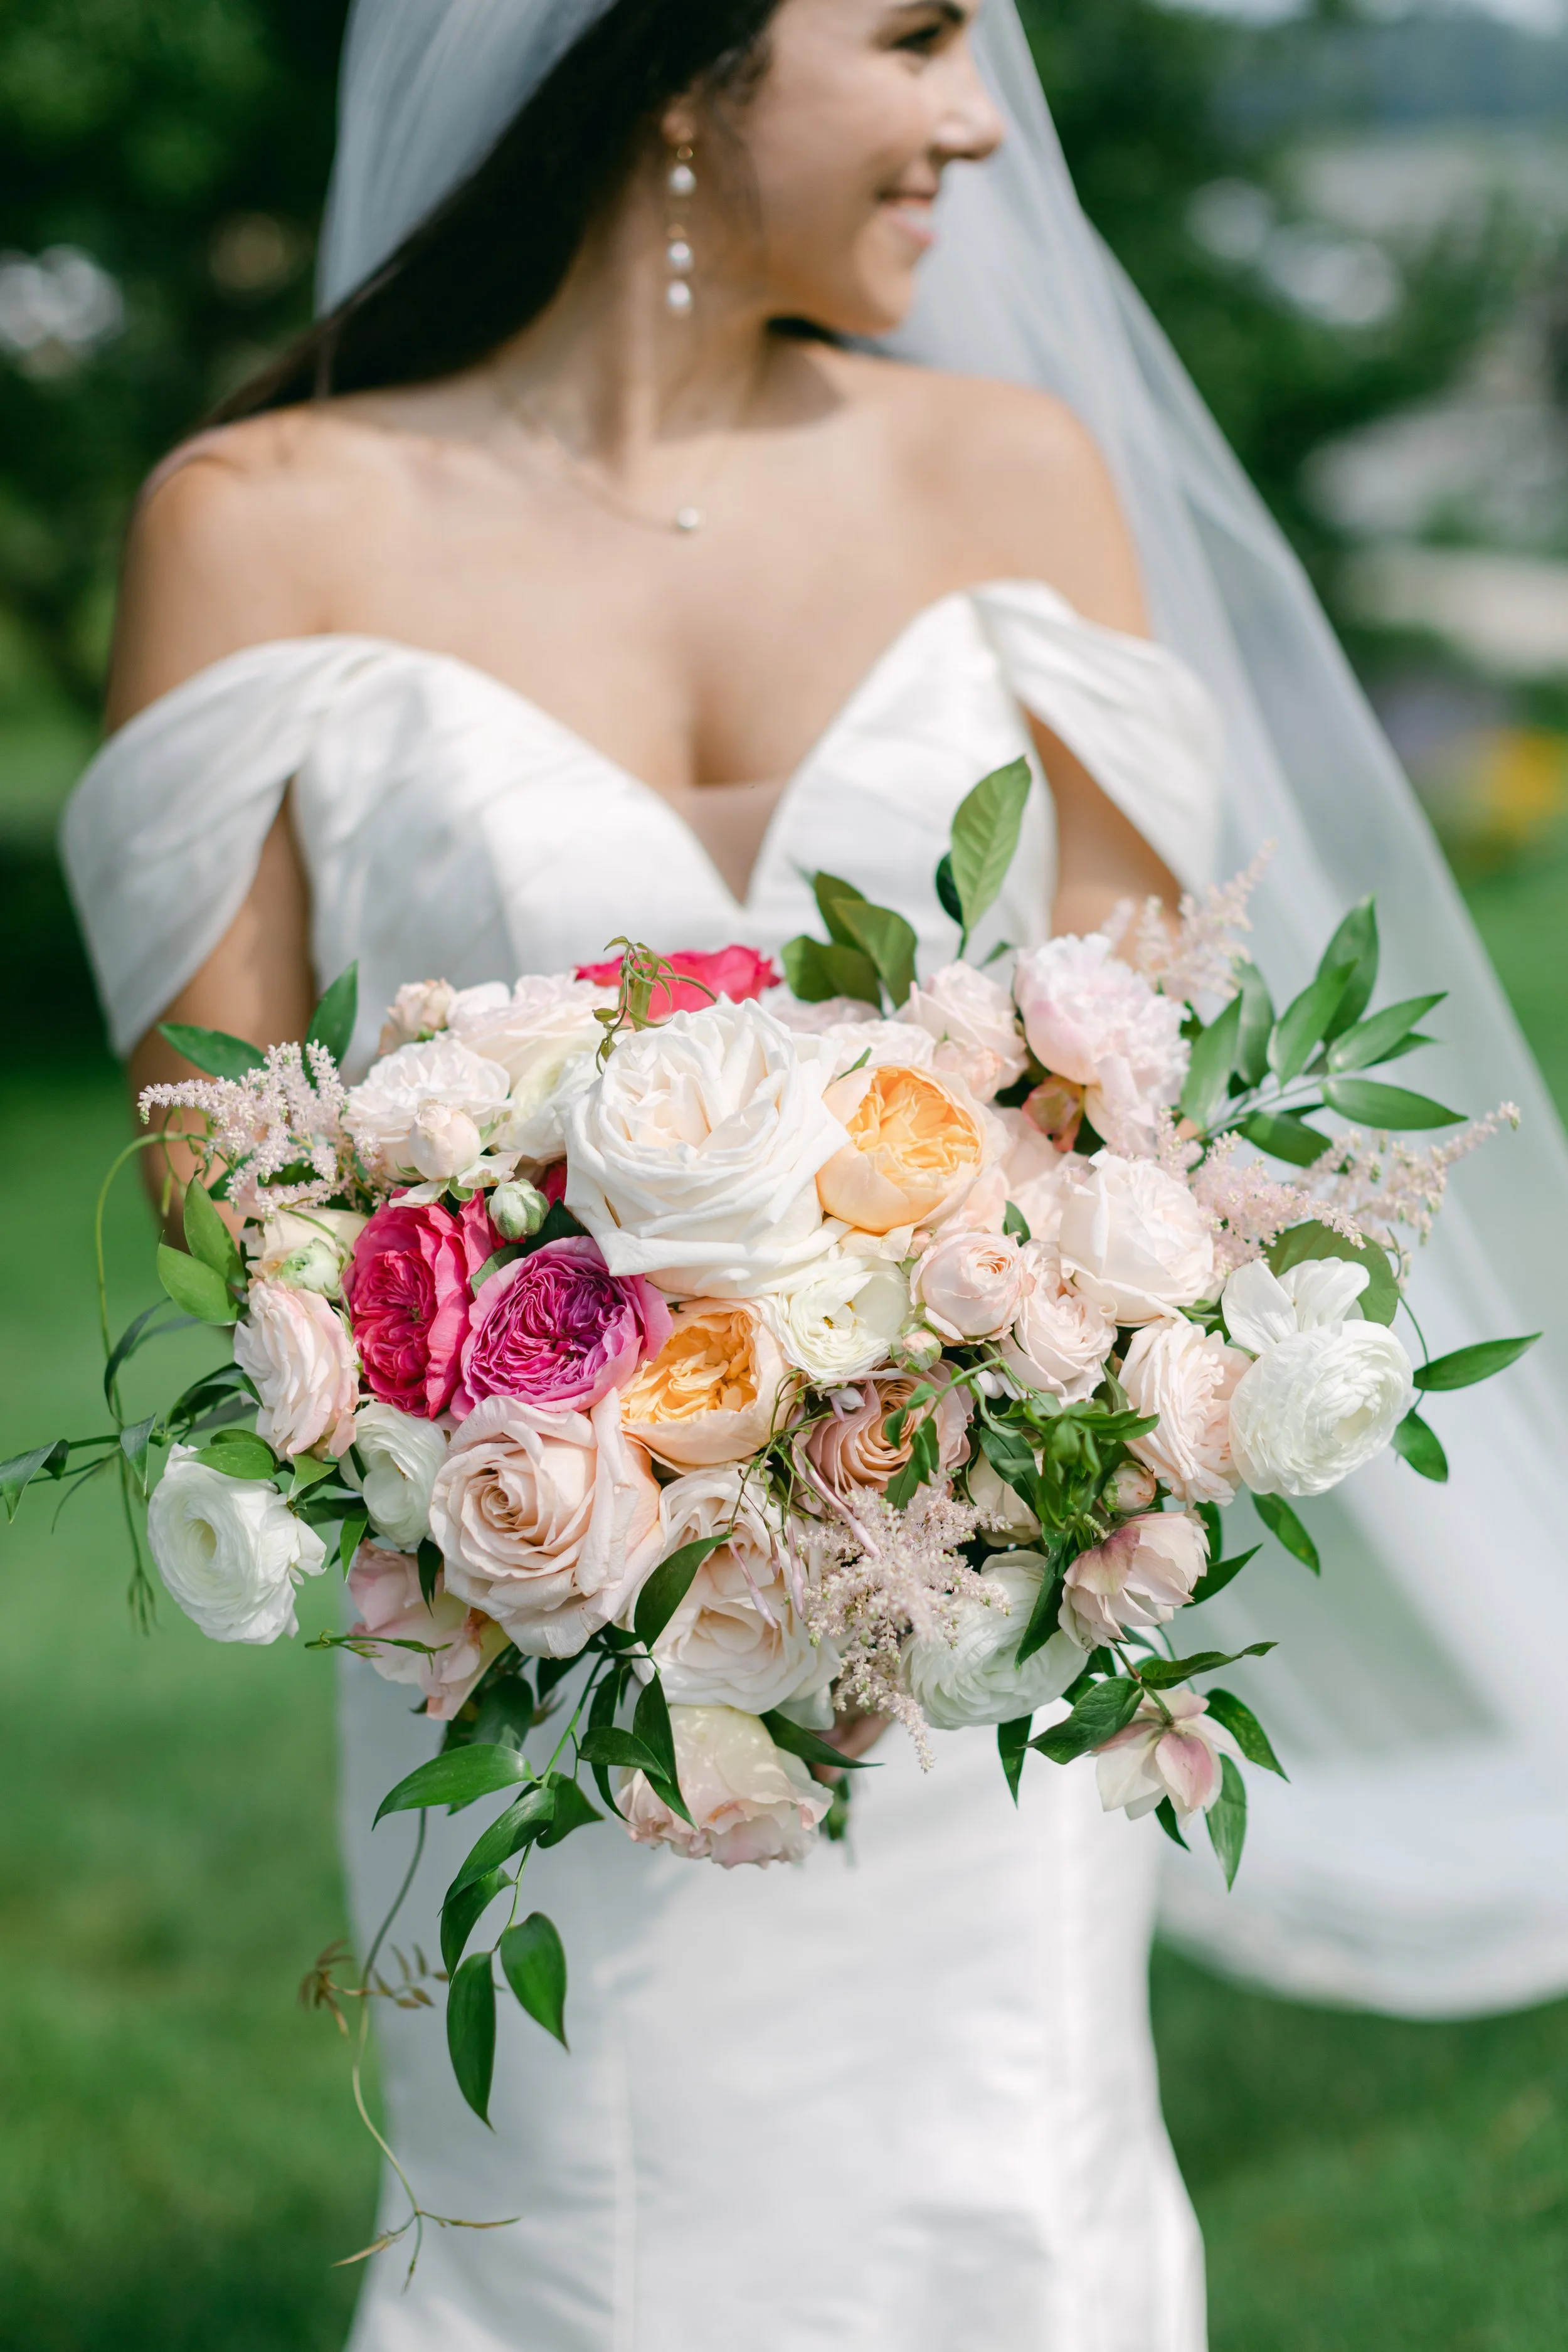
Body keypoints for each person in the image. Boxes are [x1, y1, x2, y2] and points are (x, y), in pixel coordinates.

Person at [59, 0, 1568, 2345]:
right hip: (532, 1635)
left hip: (964, 1619)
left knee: (1002, 2211)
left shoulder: (1016, 480)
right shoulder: (265, 527)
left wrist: (972, 1391)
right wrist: (566, 1422)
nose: (979, 118)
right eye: (915, 35)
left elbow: (1138, 1083)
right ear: (676, 67)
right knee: (573, 2241)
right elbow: (213, 1168)